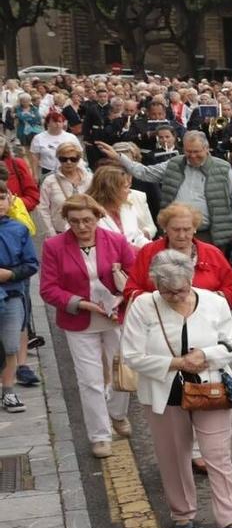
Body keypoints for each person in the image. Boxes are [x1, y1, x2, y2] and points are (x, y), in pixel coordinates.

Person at [119, 252, 232, 528]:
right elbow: (131, 355)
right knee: (173, 456)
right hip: (163, 392)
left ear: (191, 280)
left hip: (211, 388)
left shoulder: (214, 303)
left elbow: (231, 346)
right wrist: (176, 363)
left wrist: (204, 356)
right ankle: (182, 514)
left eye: (180, 290)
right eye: (166, 292)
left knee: (217, 455)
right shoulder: (143, 306)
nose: (174, 297)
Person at [39, 196, 135, 458]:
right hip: (79, 320)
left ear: (97, 217)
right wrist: (81, 303)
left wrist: (121, 298)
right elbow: (48, 289)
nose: (81, 227)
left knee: (122, 370)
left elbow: (136, 276)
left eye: (87, 220)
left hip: (116, 316)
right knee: (90, 380)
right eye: (74, 221)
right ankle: (100, 436)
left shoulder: (115, 241)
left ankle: (117, 414)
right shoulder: (54, 246)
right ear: (67, 221)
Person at [104, 129, 232, 252]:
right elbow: (145, 173)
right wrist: (119, 158)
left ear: (206, 149)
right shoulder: (174, 164)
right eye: (188, 152)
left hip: (211, 235)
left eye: (196, 151)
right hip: (177, 233)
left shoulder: (223, 168)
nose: (192, 156)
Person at [125, 204, 232, 311]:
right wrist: (158, 301)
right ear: (165, 228)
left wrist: (206, 299)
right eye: (175, 229)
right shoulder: (148, 252)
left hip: (205, 321)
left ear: (195, 228)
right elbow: (130, 291)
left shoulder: (212, 254)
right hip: (157, 321)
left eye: (187, 229)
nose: (181, 235)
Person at [0, 184, 38, 414]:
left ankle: (9, 390)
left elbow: (32, 264)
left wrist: (11, 274)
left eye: (2, 198)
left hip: (12, 293)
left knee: (11, 344)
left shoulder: (18, 229)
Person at [91, 165, 155, 247]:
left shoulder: (128, 207)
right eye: (126, 187)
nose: (129, 191)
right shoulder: (91, 213)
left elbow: (138, 238)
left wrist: (153, 249)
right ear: (111, 191)